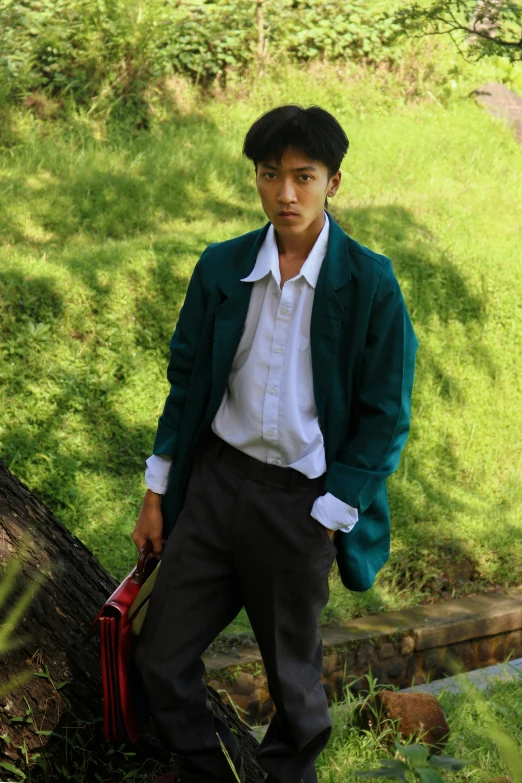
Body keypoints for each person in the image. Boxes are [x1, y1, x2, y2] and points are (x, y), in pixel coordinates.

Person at [132, 104, 418, 783]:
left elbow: (385, 416)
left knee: (295, 688)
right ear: (256, 179)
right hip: (215, 489)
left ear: (333, 182)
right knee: (160, 656)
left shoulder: (370, 283)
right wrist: (157, 490)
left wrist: (329, 513)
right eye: (269, 175)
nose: (285, 193)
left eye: (304, 176)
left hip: (299, 505)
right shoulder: (222, 266)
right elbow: (186, 381)